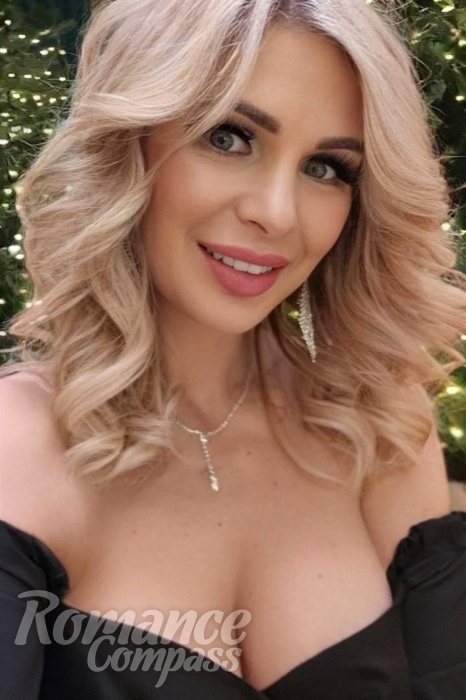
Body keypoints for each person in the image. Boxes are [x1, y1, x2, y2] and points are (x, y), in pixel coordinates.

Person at [1, 0, 465, 698]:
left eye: (327, 168)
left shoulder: (380, 429)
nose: (276, 213)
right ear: (128, 144)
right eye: (229, 137)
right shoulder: (16, 447)